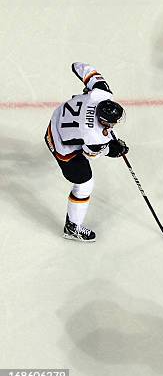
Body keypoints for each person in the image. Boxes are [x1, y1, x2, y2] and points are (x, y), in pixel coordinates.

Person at [44, 62, 129, 242]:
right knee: (84, 184)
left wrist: (78, 68)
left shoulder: (100, 94)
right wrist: (112, 149)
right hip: (61, 145)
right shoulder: (93, 136)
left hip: (56, 120)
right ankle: (72, 228)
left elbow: (84, 69)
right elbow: (91, 154)